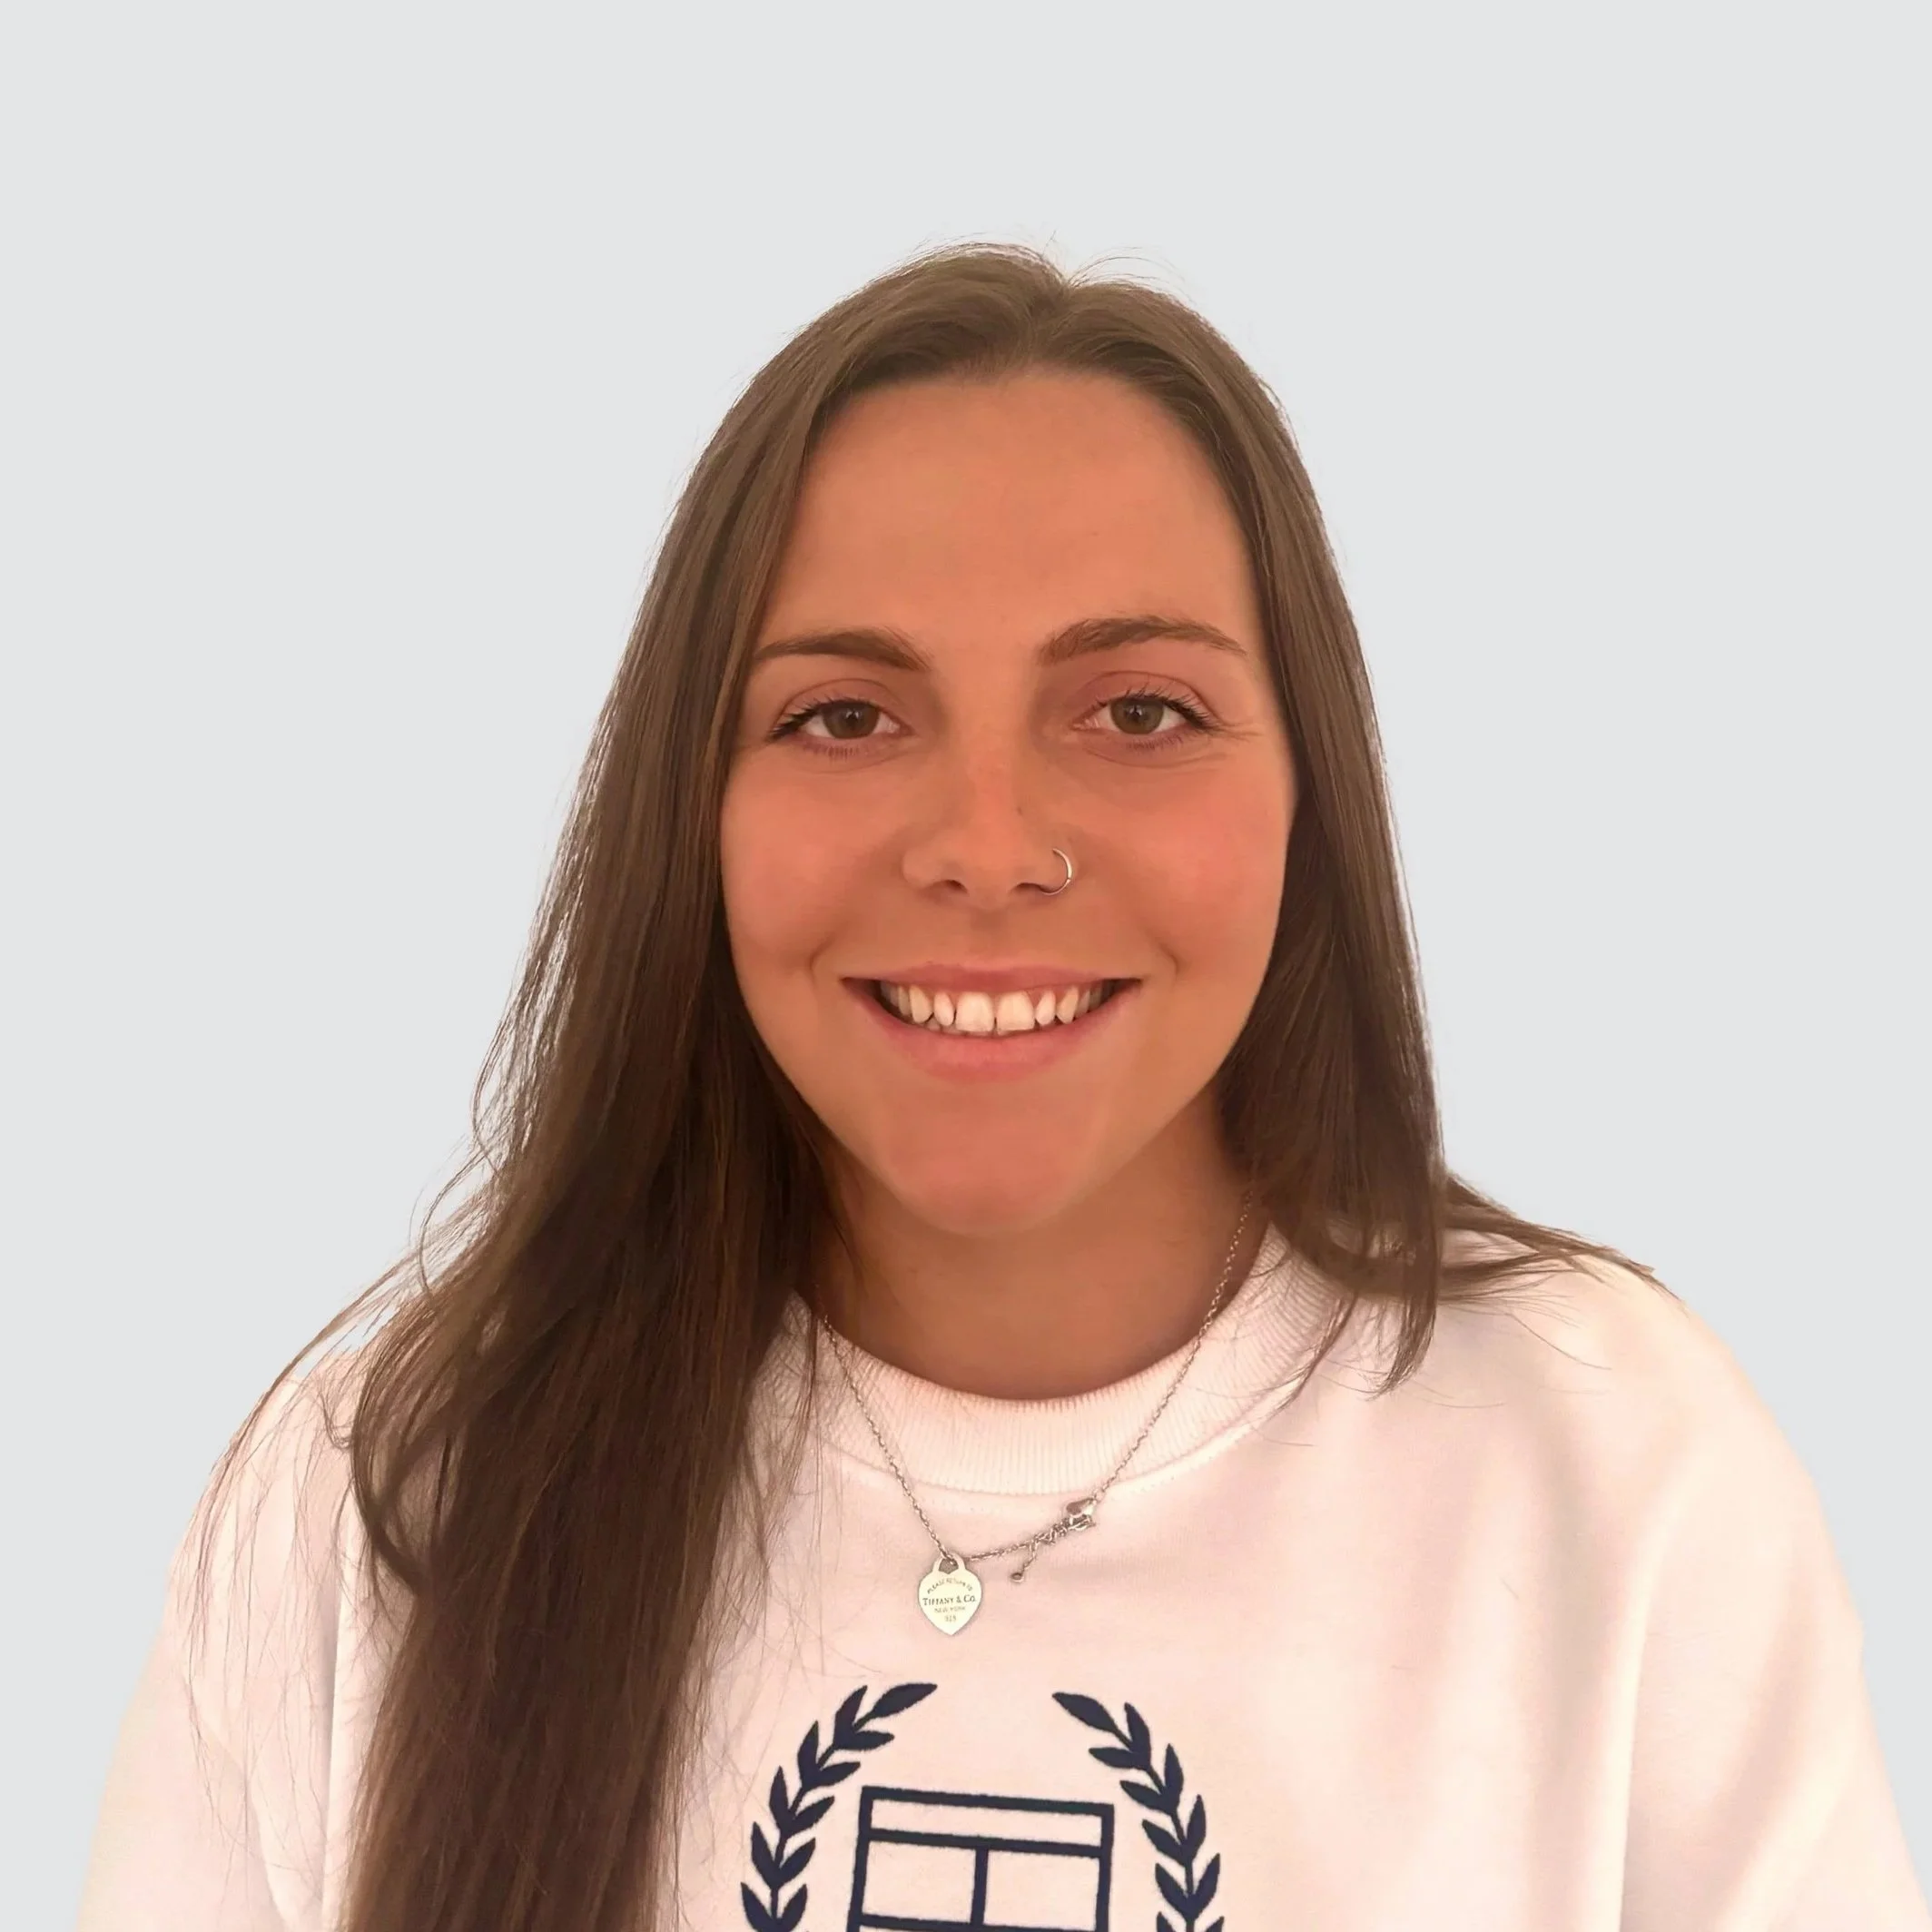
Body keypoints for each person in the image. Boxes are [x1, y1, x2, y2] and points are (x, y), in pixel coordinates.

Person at [75, 243, 1927, 1932]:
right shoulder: (379, 1494)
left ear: (1309, 798)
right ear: (690, 811)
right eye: (844, 716)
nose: (984, 844)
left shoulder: (1608, 1468)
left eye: (1134, 711)